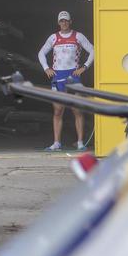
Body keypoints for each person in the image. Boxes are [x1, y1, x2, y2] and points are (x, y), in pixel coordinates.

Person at [37, 11, 95, 152]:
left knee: (77, 110)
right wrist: (46, 68)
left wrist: (84, 67)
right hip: (58, 77)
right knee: (58, 111)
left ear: (70, 22)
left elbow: (93, 50)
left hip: (73, 76)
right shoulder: (53, 37)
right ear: (58, 23)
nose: (64, 23)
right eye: (61, 21)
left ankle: (80, 142)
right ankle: (56, 143)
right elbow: (41, 53)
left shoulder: (78, 36)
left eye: (66, 21)